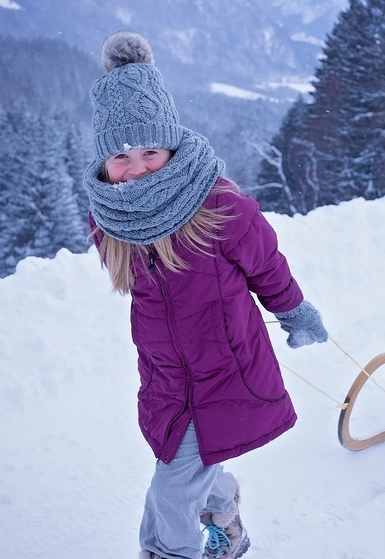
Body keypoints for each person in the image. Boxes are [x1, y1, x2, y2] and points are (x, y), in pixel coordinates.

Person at [82, 31, 329, 559]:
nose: (138, 166)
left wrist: (295, 312)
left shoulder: (220, 208)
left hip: (224, 373)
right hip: (167, 376)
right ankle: (227, 519)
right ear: (104, 164)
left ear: (171, 144)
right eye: (121, 157)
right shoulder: (113, 222)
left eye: (150, 150)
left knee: (170, 492)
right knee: (187, 459)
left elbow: (267, 267)